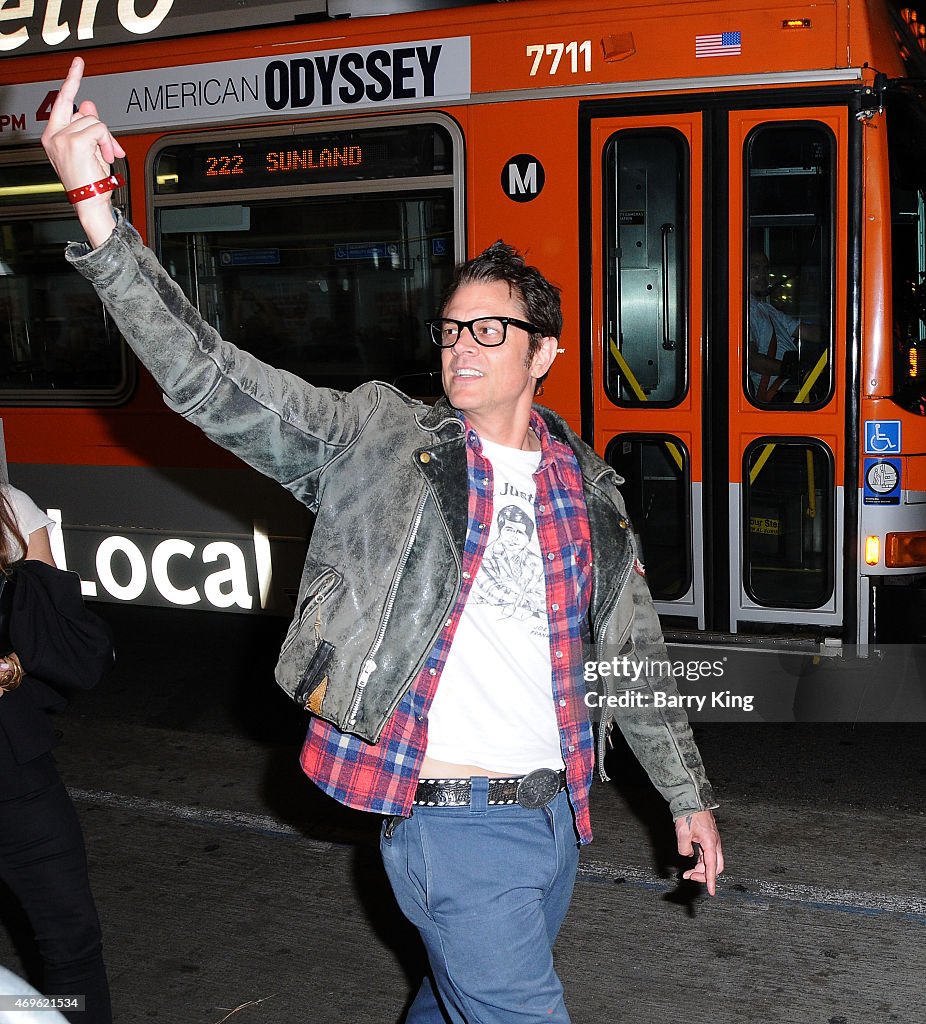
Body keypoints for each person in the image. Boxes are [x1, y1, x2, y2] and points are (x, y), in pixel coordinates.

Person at [41, 57, 723, 1024]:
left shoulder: (587, 487)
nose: (462, 348)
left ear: (545, 353)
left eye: (491, 330)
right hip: (452, 826)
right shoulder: (375, 439)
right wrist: (97, 204)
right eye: (451, 330)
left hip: (553, 818)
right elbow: (207, 375)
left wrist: (685, 797)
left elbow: (630, 660)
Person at [0, 482, 112, 1024]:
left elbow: (61, 632)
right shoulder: (11, 509)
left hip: (18, 776)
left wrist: (17, 659)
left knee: (72, 949)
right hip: (16, 771)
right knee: (71, 949)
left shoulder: (11, 508)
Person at [746, 250, 802, 401]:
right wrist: (792, 370)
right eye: (755, 268)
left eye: (765, 269)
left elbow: (800, 330)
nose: (762, 275)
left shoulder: (765, 308)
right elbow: (751, 360)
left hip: (781, 389)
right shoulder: (740, 312)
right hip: (764, 399)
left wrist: (836, 334)